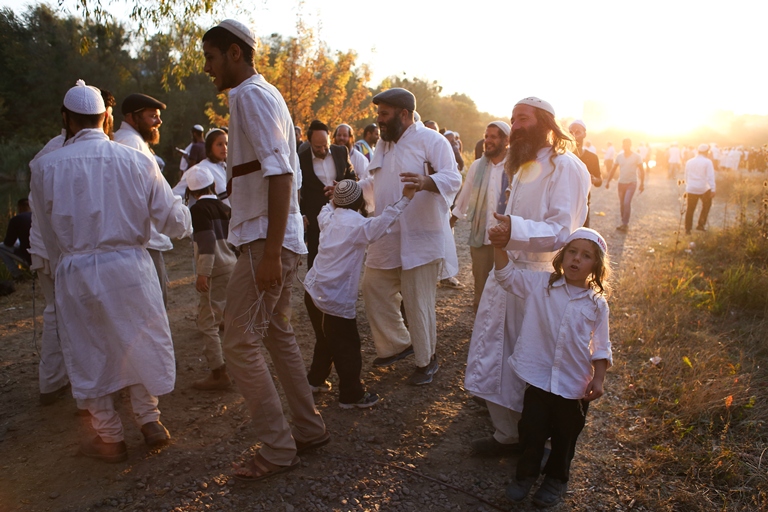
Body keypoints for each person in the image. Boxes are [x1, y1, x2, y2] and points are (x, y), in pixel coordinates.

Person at [30, 80, 191, 462]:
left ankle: (109, 436)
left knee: (90, 349)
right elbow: (174, 223)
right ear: (107, 117)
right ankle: (150, 420)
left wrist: (62, 266)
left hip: (75, 269)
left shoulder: (43, 165)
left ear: (66, 120)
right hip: (131, 268)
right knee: (137, 341)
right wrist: (188, 210)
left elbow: (48, 231)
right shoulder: (137, 160)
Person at [202, 19, 328, 481]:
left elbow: (280, 174)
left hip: (265, 241)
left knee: (237, 341)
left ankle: (278, 449)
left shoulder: (252, 95)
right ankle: (309, 429)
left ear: (235, 53)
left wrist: (272, 251)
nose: (208, 69)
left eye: (212, 58)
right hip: (272, 237)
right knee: (276, 333)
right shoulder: (260, 95)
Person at [464, 96, 590, 457]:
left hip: (539, 280)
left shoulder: (566, 167)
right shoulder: (522, 164)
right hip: (507, 273)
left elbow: (562, 231)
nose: (515, 126)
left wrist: (513, 230)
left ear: (546, 124)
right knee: (498, 352)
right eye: (512, 119)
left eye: (522, 119)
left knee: (531, 361)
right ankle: (507, 435)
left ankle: (538, 439)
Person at [499, 228, 611, 508]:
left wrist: (598, 380)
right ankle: (525, 475)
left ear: (595, 266)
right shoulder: (541, 285)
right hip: (538, 379)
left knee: (565, 435)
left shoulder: (597, 304)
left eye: (586, 256)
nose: (576, 259)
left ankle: (556, 479)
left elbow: (601, 345)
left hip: (574, 385)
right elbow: (507, 276)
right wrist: (498, 245)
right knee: (531, 429)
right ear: (562, 255)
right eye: (572, 251)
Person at [360, 87, 462, 386]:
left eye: (384, 114)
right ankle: (399, 344)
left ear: (404, 114)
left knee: (418, 301)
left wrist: (427, 181)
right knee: (373, 285)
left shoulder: (432, 140)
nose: (378, 120)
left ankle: (426, 360)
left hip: (422, 234)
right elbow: (375, 181)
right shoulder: (384, 144)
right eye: (378, 114)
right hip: (387, 232)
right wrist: (349, 190)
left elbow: (453, 177)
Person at [28, 87, 116, 407]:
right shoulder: (56, 152)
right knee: (61, 313)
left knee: (67, 313)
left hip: (63, 248)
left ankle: (62, 381)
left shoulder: (54, 151)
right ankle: (55, 382)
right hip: (58, 248)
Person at [304, 180, 414, 408]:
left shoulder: (328, 217)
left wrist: (334, 198)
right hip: (334, 297)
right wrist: (406, 198)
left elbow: (326, 208)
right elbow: (385, 221)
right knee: (348, 345)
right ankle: (351, 395)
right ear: (359, 202)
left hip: (313, 290)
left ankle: (315, 381)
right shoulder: (359, 226)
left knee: (325, 339)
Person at [113, 92, 174, 307]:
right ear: (132, 117)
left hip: (138, 242)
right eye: (152, 116)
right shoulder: (130, 144)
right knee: (154, 310)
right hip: (143, 244)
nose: (159, 121)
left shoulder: (131, 141)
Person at [186, 165, 237, 390]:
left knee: (208, 322)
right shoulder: (224, 207)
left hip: (215, 270)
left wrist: (203, 273)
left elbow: (206, 242)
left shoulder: (198, 210)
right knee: (230, 318)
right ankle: (239, 365)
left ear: (191, 192)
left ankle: (218, 372)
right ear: (213, 186)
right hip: (232, 266)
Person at [451, 121, 510, 311]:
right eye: (486, 136)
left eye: (493, 137)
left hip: (507, 238)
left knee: (506, 287)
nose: (488, 141)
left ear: (506, 140)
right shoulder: (478, 166)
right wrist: (450, 222)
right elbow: (465, 195)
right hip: (481, 235)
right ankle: (480, 332)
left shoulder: (516, 167)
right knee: (481, 287)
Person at [299, 120, 356, 269]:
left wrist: (343, 188)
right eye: (318, 147)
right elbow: (298, 188)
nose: (323, 150)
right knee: (315, 261)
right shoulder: (301, 159)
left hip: (341, 215)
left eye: (326, 145)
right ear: (309, 141)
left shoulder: (341, 152)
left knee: (341, 259)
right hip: (315, 219)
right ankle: (312, 292)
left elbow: (352, 178)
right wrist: (302, 214)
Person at [173, 129, 230, 207]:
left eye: (226, 144)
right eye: (219, 144)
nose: (224, 148)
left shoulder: (226, 168)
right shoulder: (201, 169)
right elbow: (174, 195)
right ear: (210, 147)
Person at [605, 138, 644, 232]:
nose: (625, 146)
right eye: (624, 144)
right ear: (623, 145)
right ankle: (623, 222)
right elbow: (613, 169)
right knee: (622, 204)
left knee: (627, 202)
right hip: (621, 183)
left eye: (627, 144)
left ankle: (625, 224)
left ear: (630, 145)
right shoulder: (619, 156)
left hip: (632, 183)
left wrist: (642, 183)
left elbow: (642, 170)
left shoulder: (637, 156)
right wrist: (608, 181)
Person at [568, 120, 602, 227]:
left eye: (578, 132)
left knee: (582, 238)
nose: (574, 135)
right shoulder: (562, 156)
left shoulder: (592, 158)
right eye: (570, 132)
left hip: (584, 204)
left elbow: (599, 181)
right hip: (564, 203)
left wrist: (594, 179)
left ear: (584, 134)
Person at [684, 144, 716, 234]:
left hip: (691, 188)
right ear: (706, 152)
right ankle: (700, 225)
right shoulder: (707, 162)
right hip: (703, 188)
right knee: (706, 206)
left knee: (690, 209)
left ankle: (688, 229)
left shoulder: (689, 161)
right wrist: (713, 189)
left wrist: (689, 185)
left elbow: (686, 175)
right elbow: (710, 176)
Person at [1, 198, 32, 279]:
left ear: (19, 208)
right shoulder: (38, 216)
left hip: (29, 256)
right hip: (44, 254)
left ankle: (17, 275)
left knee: (0, 247)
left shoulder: (16, 219)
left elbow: (8, 243)